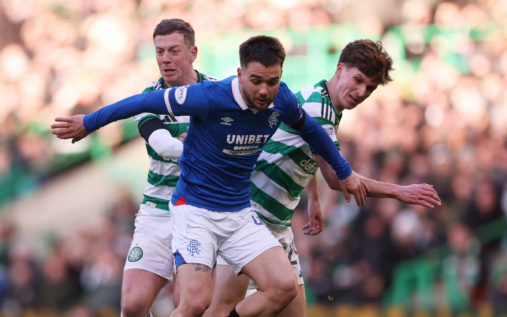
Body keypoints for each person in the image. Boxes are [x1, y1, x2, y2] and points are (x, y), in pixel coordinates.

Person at [51, 35, 370, 317]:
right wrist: (89, 122)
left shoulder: (282, 98)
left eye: (271, 81)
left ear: (281, 77)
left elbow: (313, 133)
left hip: (241, 214)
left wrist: (344, 172)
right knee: (194, 305)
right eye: (255, 80)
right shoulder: (209, 96)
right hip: (196, 212)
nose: (263, 90)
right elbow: (139, 102)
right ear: (240, 73)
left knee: (283, 286)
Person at [203, 39, 442, 317]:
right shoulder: (319, 109)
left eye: (370, 87)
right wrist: (400, 192)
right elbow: (338, 179)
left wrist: (313, 198)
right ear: (340, 68)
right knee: (226, 306)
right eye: (358, 80)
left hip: (276, 222)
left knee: (294, 312)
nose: (362, 91)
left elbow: (307, 148)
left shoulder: (322, 101)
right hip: (250, 215)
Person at [121, 19, 218, 317]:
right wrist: (195, 148)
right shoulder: (149, 98)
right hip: (158, 209)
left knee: (188, 303)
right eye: (159, 51)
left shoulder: (219, 93)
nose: (165, 59)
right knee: (133, 304)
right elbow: (162, 144)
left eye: (174, 50)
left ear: (193, 53)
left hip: (202, 212)